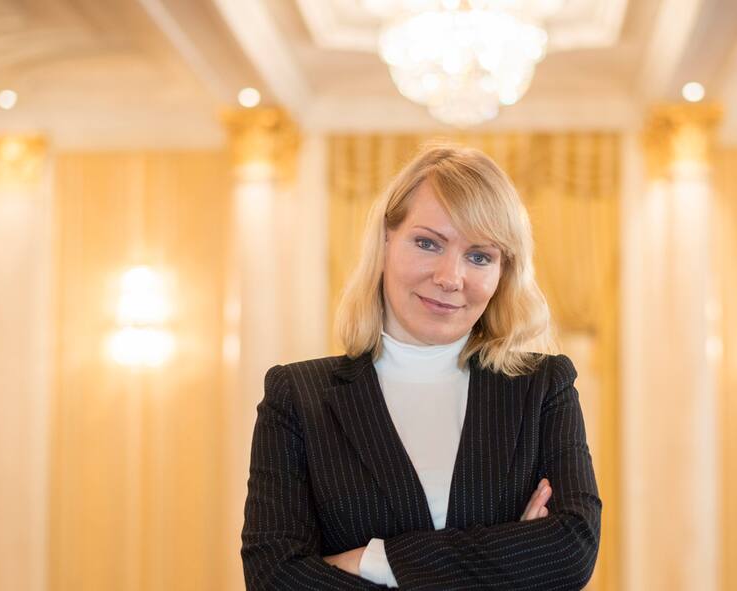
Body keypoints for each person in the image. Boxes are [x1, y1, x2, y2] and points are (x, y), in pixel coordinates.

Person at [241, 144, 601, 589]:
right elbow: (273, 578)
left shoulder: (543, 386)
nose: (450, 278)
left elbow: (572, 550)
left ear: (503, 272)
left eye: (479, 256)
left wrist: (372, 560)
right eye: (428, 243)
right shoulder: (297, 395)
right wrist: (510, 564)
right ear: (386, 241)